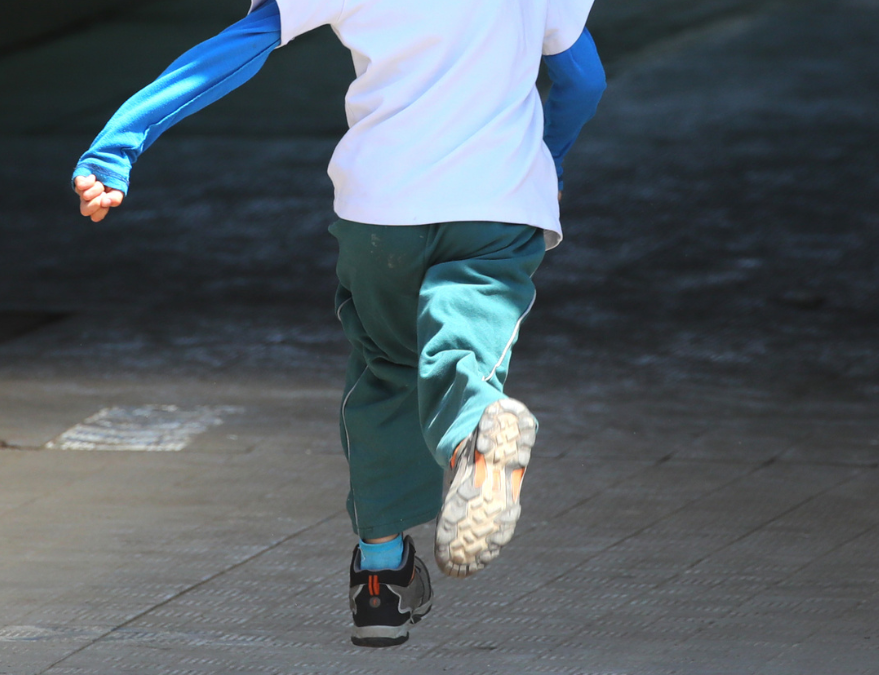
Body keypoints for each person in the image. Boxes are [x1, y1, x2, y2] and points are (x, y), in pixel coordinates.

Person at [71, 0, 605, 648]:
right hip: (498, 199)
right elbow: (582, 80)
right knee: (464, 334)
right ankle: (473, 439)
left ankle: (381, 580)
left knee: (386, 364)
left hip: (383, 204)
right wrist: (547, 162)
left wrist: (117, 146)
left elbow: (239, 48)